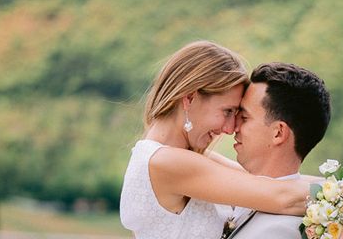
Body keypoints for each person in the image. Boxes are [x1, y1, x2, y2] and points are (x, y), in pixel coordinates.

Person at [120, 41, 312, 239]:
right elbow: (282, 197)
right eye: (227, 111)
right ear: (190, 98)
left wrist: (341, 183)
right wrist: (342, 196)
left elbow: (276, 183)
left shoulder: (180, 157)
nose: (229, 128)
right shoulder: (166, 162)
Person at [224, 62, 331, 238]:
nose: (233, 126)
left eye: (244, 117)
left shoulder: (284, 231)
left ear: (278, 133)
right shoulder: (245, 192)